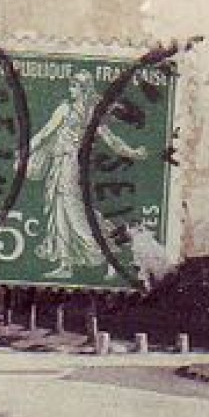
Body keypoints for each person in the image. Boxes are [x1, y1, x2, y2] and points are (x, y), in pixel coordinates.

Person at [26, 70, 148, 279]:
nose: (70, 90)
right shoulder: (65, 109)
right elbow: (46, 132)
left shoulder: (91, 113)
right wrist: (26, 149)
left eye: (74, 86)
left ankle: (111, 257)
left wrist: (133, 153)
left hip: (72, 164)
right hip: (58, 163)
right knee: (60, 212)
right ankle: (66, 265)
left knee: (75, 213)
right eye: (71, 85)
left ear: (84, 90)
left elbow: (111, 140)